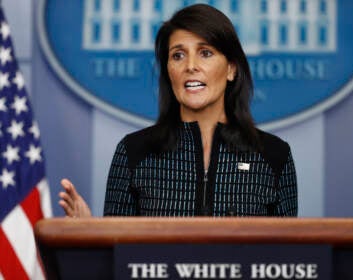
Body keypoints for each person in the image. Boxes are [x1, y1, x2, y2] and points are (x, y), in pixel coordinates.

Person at [59, 4, 297, 218]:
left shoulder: (274, 155)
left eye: (205, 53)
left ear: (231, 69)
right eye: (178, 55)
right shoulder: (133, 152)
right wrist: (88, 233)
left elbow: (289, 260)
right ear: (168, 70)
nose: (190, 66)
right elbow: (116, 259)